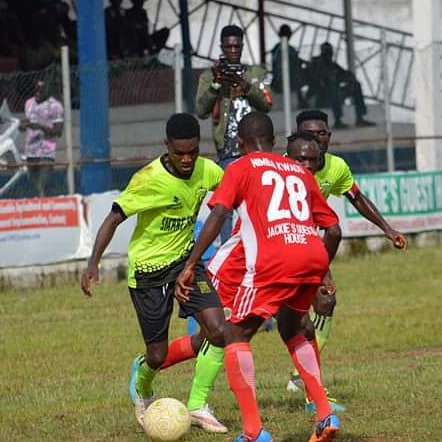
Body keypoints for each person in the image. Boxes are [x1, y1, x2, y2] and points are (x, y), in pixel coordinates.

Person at [176, 112, 343, 442]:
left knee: (234, 335)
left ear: (240, 143)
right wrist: (321, 268)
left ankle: (253, 431)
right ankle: (325, 413)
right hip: (311, 254)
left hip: (272, 261)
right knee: (293, 329)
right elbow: (334, 228)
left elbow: (220, 212)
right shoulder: (299, 170)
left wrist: (190, 262)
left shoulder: (240, 167)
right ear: (273, 142)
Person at [80, 113, 227, 431]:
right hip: (149, 271)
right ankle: (143, 382)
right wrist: (93, 262)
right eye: (179, 153)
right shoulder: (149, 179)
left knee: (218, 331)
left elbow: (234, 188)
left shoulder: (207, 170)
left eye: (193, 151)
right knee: (157, 356)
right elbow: (113, 218)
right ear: (167, 147)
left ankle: (198, 405)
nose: (187, 159)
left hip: (187, 262)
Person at [284, 109, 408, 404]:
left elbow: (357, 198)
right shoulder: (283, 169)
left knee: (323, 303)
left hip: (307, 245)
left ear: (329, 136)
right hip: (280, 246)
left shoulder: (336, 167)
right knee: (238, 327)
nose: (316, 139)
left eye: (321, 133)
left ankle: (306, 383)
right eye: (309, 134)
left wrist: (387, 229)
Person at [195, 24, 272, 243]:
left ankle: (262, 244)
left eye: (237, 46)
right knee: (225, 207)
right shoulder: (210, 76)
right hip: (228, 149)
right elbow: (201, 110)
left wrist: (244, 85)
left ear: (242, 46)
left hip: (255, 148)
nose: (233, 51)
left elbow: (266, 103)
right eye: (228, 47)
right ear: (222, 47)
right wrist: (217, 84)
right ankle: (228, 250)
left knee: (259, 200)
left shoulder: (254, 73)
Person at [305, 42, 375, 129]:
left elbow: (344, 75)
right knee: (332, 86)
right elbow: (319, 81)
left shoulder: (332, 65)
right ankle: (337, 121)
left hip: (333, 97)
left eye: (330, 52)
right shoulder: (316, 64)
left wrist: (350, 78)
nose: (329, 54)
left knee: (356, 85)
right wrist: (331, 79)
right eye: (327, 52)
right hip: (319, 98)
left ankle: (360, 118)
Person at [19, 79, 63, 197]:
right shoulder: (29, 103)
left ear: (48, 91)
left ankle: (48, 210)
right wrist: (23, 126)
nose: (38, 92)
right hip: (30, 152)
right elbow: (27, 123)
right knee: (33, 189)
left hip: (46, 153)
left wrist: (39, 126)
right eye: (36, 89)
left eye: (42, 90)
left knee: (44, 186)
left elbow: (58, 131)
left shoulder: (55, 106)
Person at [271, 24, 309, 108]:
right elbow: (291, 63)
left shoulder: (277, 48)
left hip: (282, 79)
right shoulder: (284, 49)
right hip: (284, 81)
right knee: (310, 74)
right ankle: (302, 100)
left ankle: (303, 99)